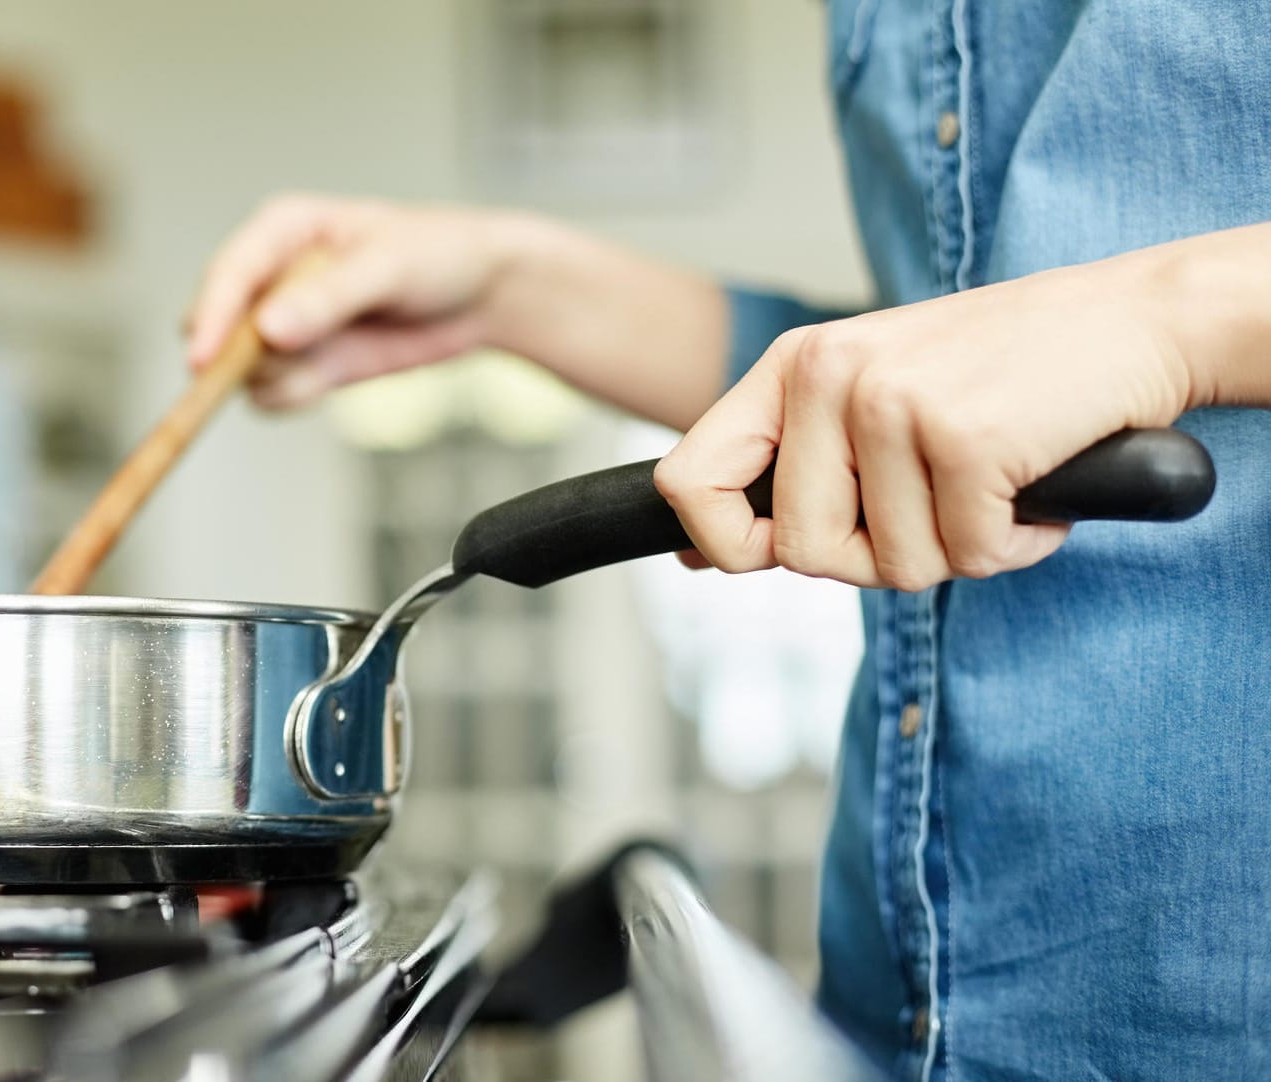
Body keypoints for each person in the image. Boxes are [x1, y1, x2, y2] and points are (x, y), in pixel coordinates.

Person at [184, 4, 1271, 1079]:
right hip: (901, 1002)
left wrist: (1171, 319)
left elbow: (1062, 343)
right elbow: (903, 384)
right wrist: (502, 285)